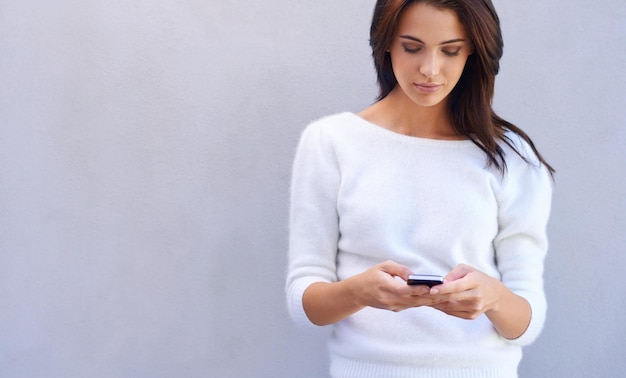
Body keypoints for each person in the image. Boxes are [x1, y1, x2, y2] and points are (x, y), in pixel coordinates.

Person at [286, 0, 554, 377]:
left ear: (473, 51)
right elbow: (305, 302)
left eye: (450, 50)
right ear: (386, 44)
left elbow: (526, 321)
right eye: (412, 47)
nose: (430, 69)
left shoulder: (510, 157)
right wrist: (359, 291)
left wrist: (491, 297)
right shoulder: (330, 142)